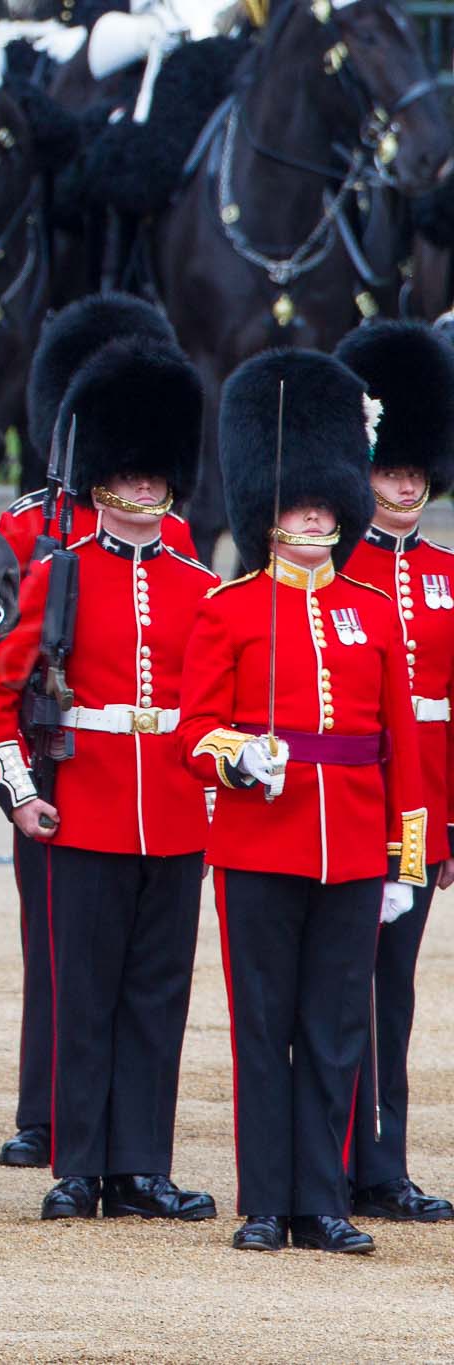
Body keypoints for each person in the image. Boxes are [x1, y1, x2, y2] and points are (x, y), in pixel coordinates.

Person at [0, 300, 217, 1223]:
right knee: (84, 993)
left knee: (158, 996)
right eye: (131, 476)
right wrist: (21, 793)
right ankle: (77, 1163)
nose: (147, 492)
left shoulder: (200, 582)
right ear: (106, 479)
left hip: (178, 813)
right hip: (87, 806)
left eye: (158, 477)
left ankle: (141, 1166)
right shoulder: (57, 569)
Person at [178, 347, 427, 1255]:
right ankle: (263, 1200)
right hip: (259, 843)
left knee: (334, 1031)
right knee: (263, 1028)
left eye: (326, 499)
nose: (316, 512)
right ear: (268, 510)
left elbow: (402, 750)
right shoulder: (230, 607)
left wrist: (404, 862)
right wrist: (241, 756)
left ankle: (323, 1200)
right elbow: (194, 730)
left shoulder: (371, 607)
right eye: (297, 500)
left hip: (357, 849)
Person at [331, 319, 454, 1225]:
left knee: (396, 993)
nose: (404, 484)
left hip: (422, 819)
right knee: (339, 987)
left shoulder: (449, 573)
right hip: (349, 805)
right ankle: (334, 1156)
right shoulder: (335, 566)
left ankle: (387, 1162)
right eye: (388, 469)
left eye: (415, 471)